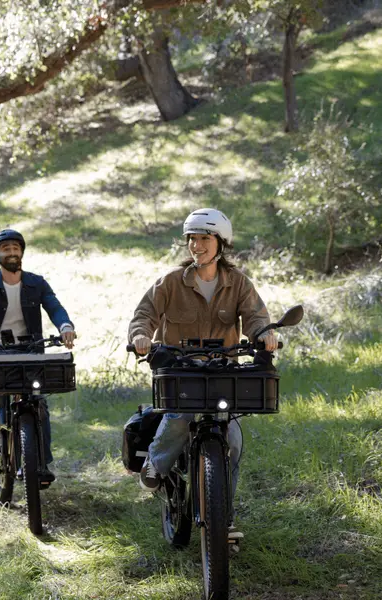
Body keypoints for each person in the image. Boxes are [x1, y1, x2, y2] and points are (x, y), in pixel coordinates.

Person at [128, 208, 277, 544]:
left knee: (234, 441)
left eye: (204, 238)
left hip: (223, 371)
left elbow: (255, 317)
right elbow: (144, 315)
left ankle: (223, 517)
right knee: (179, 419)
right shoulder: (170, 282)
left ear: (220, 243)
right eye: (192, 239)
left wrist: (264, 334)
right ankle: (155, 464)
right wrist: (141, 337)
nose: (197, 245)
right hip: (180, 371)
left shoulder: (238, 283)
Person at [0, 228, 76, 483]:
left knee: (40, 403)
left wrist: (65, 326)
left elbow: (55, 307)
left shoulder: (36, 283)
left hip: (29, 351)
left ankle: (43, 463)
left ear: (21, 252)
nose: (12, 253)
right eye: (6, 249)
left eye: (16, 248)